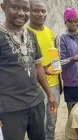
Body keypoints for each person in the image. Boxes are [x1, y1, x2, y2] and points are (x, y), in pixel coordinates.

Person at [0, 0, 56, 140]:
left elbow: (38, 67)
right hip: (10, 107)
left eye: (25, 9)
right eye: (15, 7)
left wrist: (49, 94)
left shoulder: (31, 35)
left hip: (36, 102)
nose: (21, 13)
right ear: (3, 7)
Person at [27, 1, 61, 139]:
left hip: (54, 84)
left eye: (43, 11)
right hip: (36, 86)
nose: (40, 14)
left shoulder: (50, 32)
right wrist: (43, 70)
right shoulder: (26, 33)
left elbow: (54, 56)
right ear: (28, 12)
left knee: (52, 120)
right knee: (39, 122)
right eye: (36, 11)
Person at [59, 8, 78, 115]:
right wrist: (74, 58)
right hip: (72, 83)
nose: (73, 23)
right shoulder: (62, 38)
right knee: (74, 114)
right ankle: (72, 132)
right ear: (65, 22)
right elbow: (59, 63)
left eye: (76, 21)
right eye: (70, 21)